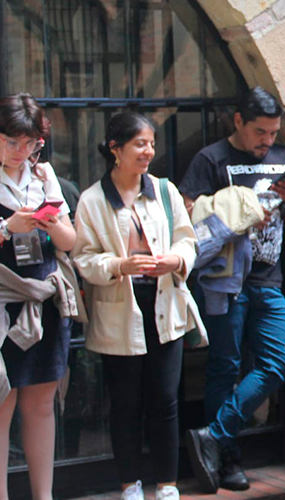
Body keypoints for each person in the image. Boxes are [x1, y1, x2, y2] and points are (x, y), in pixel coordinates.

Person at [73, 112, 202, 500]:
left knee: (165, 399)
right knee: (126, 403)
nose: (149, 152)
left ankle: (167, 484)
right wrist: (118, 265)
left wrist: (175, 261)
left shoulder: (164, 191)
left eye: (151, 143)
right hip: (119, 308)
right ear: (116, 150)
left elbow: (187, 240)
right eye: (139, 144)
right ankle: (130, 484)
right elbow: (83, 258)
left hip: (165, 303)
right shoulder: (93, 200)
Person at [181, 87, 285, 493]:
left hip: (270, 279)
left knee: (281, 362)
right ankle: (226, 457)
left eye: (273, 133)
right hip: (223, 281)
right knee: (224, 367)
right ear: (238, 122)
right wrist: (240, 213)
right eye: (260, 132)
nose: (267, 141)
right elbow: (188, 218)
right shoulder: (210, 159)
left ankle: (212, 435)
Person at [0, 93, 76, 500]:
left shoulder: (43, 176)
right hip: (3, 305)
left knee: (42, 404)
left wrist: (49, 217)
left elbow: (69, 240)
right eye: (12, 142)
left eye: (30, 143)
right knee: (2, 406)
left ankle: (42, 496)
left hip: (44, 301)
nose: (21, 152)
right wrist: (9, 226)